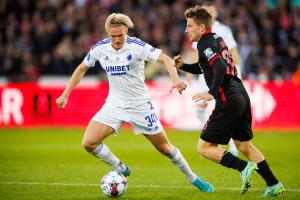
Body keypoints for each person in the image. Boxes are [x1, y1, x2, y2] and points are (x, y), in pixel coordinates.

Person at [56, 13, 214, 192]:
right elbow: (82, 68)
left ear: (126, 31)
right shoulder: (99, 49)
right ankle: (120, 167)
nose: (116, 40)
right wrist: (65, 94)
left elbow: (165, 59)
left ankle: (193, 178)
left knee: (166, 149)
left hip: (140, 106)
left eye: (120, 35)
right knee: (88, 143)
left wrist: (175, 79)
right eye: (112, 36)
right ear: (107, 33)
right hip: (114, 104)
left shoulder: (136, 46)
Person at [174, 6, 284, 197]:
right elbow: (206, 67)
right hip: (240, 94)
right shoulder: (216, 38)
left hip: (228, 99)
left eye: (190, 26)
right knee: (243, 145)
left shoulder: (203, 44)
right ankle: (274, 184)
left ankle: (243, 168)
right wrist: (183, 65)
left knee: (204, 148)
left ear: (201, 27)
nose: (186, 30)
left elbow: (218, 65)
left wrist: (211, 92)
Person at [189, 1, 239, 156]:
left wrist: (234, 69)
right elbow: (194, 52)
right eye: (207, 9)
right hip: (205, 75)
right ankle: (210, 133)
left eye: (212, 9)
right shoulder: (198, 28)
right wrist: (188, 70)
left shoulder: (224, 29)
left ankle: (231, 143)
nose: (209, 11)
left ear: (216, 12)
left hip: (220, 75)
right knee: (199, 106)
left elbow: (232, 51)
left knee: (223, 109)